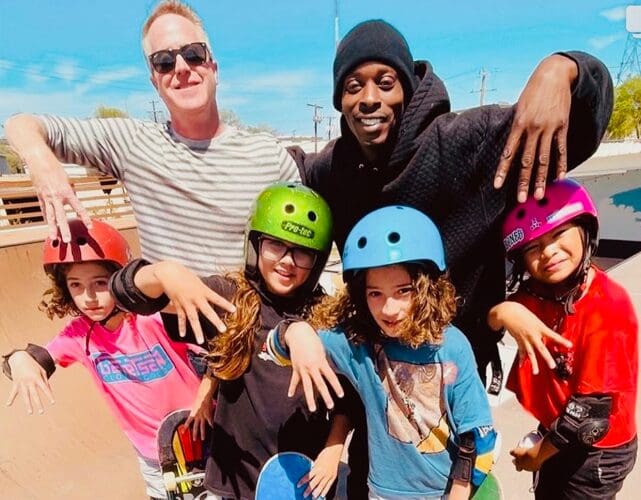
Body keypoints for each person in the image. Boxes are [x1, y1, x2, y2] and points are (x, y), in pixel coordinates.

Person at [292, 19, 614, 385]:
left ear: (407, 88)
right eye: (353, 86)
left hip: (456, 374)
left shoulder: (467, 143)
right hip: (373, 375)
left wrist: (565, 69)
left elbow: (582, 130)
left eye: (385, 82)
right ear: (340, 100)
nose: (369, 98)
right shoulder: (334, 170)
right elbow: (283, 170)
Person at [3, 0, 300, 279]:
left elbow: (306, 251)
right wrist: (43, 165)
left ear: (213, 68)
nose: (181, 68)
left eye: (193, 54)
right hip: (171, 317)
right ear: (155, 81)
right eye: (164, 61)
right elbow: (20, 124)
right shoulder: (133, 144)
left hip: (249, 316)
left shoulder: (268, 156)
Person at [110, 183, 359, 499]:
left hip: (302, 478)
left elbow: (345, 398)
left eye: (302, 252)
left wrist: (333, 448)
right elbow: (125, 293)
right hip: (236, 479)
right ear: (255, 243)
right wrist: (162, 273)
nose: (287, 261)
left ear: (317, 260)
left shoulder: (326, 316)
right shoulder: (228, 300)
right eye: (275, 245)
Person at [269, 205, 497, 499]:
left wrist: (459, 493)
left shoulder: (451, 345)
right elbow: (277, 349)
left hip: (445, 492)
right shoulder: (360, 345)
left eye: (403, 291)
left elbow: (478, 437)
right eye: (375, 293)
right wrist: (295, 332)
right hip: (381, 493)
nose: (389, 309)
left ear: (427, 287)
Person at [1, 219, 208, 500]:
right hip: (154, 458)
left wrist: (208, 392)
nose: (88, 297)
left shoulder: (154, 318)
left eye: (100, 283)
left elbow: (217, 356)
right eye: (76, 285)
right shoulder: (79, 334)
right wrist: (19, 360)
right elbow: (40, 357)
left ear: (119, 280)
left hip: (205, 440)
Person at [488, 179, 638, 499]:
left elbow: (590, 417)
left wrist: (537, 456)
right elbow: (490, 318)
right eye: (533, 248)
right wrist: (503, 312)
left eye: (558, 234)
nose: (548, 252)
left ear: (585, 231)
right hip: (559, 429)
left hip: (597, 451)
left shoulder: (607, 308)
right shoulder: (543, 292)